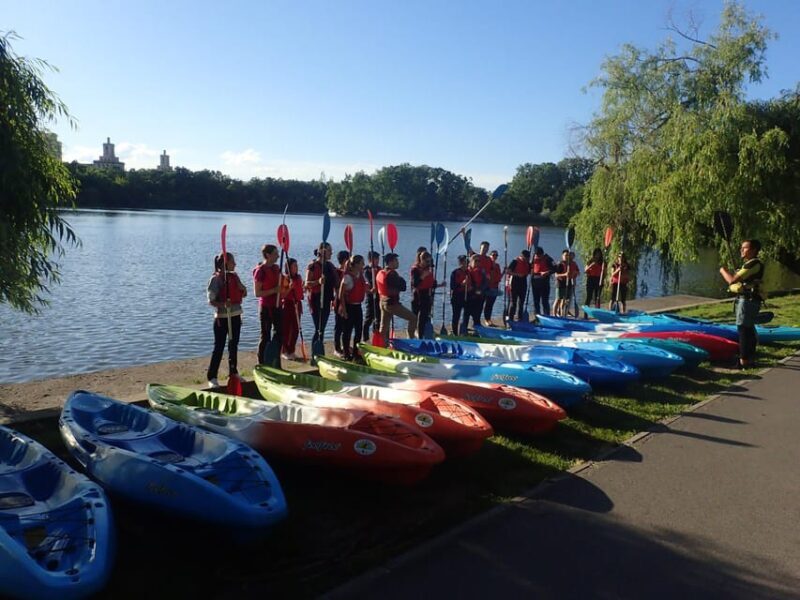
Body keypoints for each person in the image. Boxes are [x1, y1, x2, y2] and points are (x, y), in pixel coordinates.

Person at [720, 239, 764, 369]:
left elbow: (732, 280)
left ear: (753, 250)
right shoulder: (752, 264)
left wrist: (723, 270)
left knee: (743, 329)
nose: (741, 250)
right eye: (741, 248)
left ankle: (743, 361)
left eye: (744, 248)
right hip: (751, 300)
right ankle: (749, 359)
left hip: (748, 301)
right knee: (748, 329)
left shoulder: (752, 264)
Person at [206, 252, 247, 387]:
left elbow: (244, 293)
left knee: (233, 345)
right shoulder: (216, 279)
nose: (235, 264)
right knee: (219, 347)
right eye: (232, 261)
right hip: (222, 318)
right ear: (225, 263)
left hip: (235, 315)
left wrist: (242, 288)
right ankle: (212, 377)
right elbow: (210, 300)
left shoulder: (234, 276)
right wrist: (223, 304)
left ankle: (233, 372)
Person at [377, 253, 417, 343]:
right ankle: (411, 339)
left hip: (383, 302)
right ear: (391, 262)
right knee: (413, 318)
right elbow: (403, 287)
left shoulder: (381, 272)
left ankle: (380, 343)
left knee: (383, 326)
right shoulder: (392, 274)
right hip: (392, 304)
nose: (398, 262)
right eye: (396, 260)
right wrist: (401, 279)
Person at [253, 244, 283, 364]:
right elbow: (257, 293)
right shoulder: (260, 271)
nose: (278, 256)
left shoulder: (277, 268)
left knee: (279, 334)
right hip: (266, 307)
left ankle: (275, 359)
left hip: (277, 306)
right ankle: (262, 362)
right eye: (275, 254)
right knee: (265, 336)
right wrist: (273, 290)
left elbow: (281, 285)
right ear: (268, 255)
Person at [305, 242, 338, 350]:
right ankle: (316, 351)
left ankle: (319, 350)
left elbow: (336, 282)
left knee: (322, 327)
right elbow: (307, 284)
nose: (331, 253)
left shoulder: (330, 266)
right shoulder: (313, 266)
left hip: (327, 299)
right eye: (329, 250)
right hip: (316, 299)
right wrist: (318, 282)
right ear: (322, 251)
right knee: (318, 327)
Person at [338, 254, 367, 360]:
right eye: (362, 263)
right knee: (347, 331)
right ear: (356, 264)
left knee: (359, 331)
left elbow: (362, 287)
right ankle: (346, 354)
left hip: (358, 307)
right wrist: (344, 310)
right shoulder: (347, 277)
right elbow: (341, 294)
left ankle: (355, 353)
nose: (364, 265)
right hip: (349, 307)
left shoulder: (360, 274)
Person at [411, 251, 441, 338]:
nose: (428, 263)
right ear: (421, 260)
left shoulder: (428, 269)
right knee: (417, 317)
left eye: (429, 261)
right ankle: (416, 336)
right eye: (426, 261)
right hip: (418, 295)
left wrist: (439, 285)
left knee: (424, 317)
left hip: (427, 295)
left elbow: (432, 283)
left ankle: (422, 335)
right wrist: (422, 276)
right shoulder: (415, 270)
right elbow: (415, 284)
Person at [280, 258, 304, 360]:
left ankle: (291, 350)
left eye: (296, 265)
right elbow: (283, 295)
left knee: (295, 329)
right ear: (288, 268)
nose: (297, 267)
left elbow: (300, 293)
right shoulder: (285, 279)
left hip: (297, 304)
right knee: (286, 329)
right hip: (288, 305)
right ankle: (285, 350)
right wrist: (290, 287)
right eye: (294, 266)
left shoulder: (298, 278)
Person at [333, 249, 350, 357]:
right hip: (339, 301)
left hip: (348, 301)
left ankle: (345, 345)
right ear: (345, 260)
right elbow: (337, 287)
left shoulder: (348, 273)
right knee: (339, 325)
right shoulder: (338, 272)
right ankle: (337, 348)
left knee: (346, 325)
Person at [464, 254, 487, 333]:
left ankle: (477, 329)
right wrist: (474, 290)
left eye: (479, 261)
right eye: (476, 261)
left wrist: (481, 290)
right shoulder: (467, 271)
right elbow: (466, 285)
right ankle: (464, 330)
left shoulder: (482, 271)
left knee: (477, 314)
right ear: (470, 262)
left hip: (479, 296)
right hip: (469, 296)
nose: (477, 263)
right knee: (466, 314)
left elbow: (485, 282)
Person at [362, 250, 382, 341]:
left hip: (379, 297)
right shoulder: (366, 270)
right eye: (376, 259)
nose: (377, 261)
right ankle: (365, 339)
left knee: (378, 319)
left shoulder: (380, 269)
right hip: (371, 298)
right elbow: (369, 281)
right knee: (369, 319)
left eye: (378, 259)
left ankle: (376, 337)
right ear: (370, 259)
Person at [506, 249, 530, 322]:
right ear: (522, 256)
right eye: (525, 258)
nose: (527, 259)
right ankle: (510, 318)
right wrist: (517, 274)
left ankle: (520, 318)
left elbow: (529, 271)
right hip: (514, 282)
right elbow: (508, 271)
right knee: (513, 302)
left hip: (523, 283)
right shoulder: (515, 261)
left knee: (521, 302)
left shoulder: (527, 263)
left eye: (528, 258)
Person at [450, 255, 469, 335]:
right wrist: (462, 284)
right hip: (456, 296)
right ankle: (455, 333)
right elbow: (452, 286)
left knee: (466, 314)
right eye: (462, 262)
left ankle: (464, 330)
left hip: (466, 296)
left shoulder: (469, 272)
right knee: (456, 315)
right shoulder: (454, 273)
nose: (464, 264)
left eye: (465, 262)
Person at [531, 247, 553, 315]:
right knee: (536, 301)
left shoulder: (548, 259)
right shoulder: (533, 258)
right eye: (537, 255)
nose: (538, 256)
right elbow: (530, 267)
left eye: (539, 255)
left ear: (542, 254)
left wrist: (547, 272)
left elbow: (556, 268)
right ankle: (537, 316)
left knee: (544, 301)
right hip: (535, 283)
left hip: (544, 283)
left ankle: (547, 315)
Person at [483, 250, 502, 326]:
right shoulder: (487, 264)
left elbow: (499, 277)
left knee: (490, 305)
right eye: (493, 255)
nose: (495, 257)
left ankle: (488, 319)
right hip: (487, 287)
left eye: (496, 255)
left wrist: (504, 271)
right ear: (490, 256)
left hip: (494, 287)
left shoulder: (497, 265)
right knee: (484, 304)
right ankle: (485, 320)